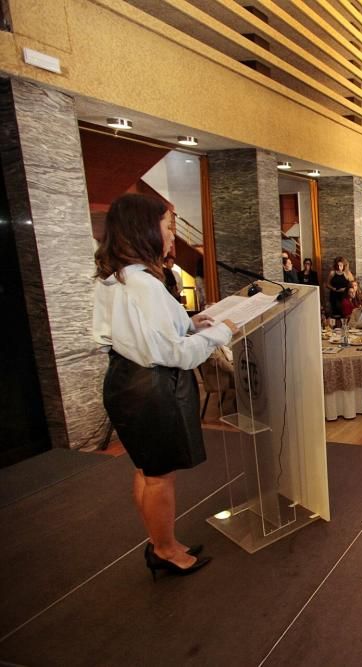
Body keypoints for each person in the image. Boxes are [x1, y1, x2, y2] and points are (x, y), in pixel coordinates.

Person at [93, 193, 236, 578]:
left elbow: (149, 333)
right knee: (158, 476)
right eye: (169, 227)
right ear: (145, 230)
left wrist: (192, 323)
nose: (173, 236)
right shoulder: (142, 284)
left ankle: (160, 541)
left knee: (147, 470)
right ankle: (165, 549)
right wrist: (222, 331)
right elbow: (176, 354)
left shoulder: (120, 276)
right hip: (150, 388)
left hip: (128, 380)